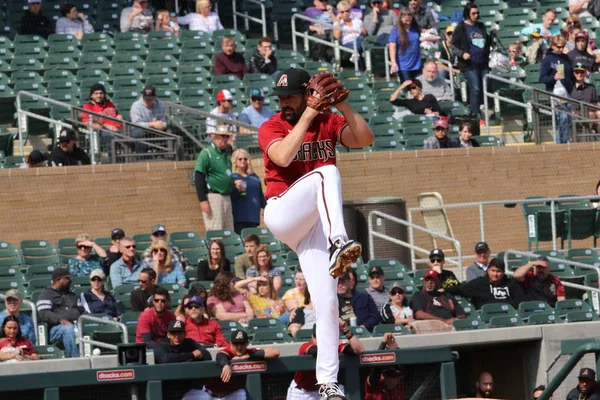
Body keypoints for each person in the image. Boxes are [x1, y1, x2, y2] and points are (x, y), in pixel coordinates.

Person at [258, 67, 373, 399]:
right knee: (327, 173)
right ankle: (340, 241)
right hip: (283, 211)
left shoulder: (327, 122)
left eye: (291, 95)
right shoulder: (272, 126)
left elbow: (365, 139)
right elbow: (282, 155)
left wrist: (344, 106)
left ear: (308, 92)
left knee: (327, 303)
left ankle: (327, 382)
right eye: (281, 97)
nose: (284, 102)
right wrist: (309, 110)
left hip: (313, 229)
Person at [286, 321, 364, 399]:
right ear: (313, 337)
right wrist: (334, 346)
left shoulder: (333, 345)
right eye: (319, 336)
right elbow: (316, 351)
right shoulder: (306, 345)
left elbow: (359, 350)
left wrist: (346, 331)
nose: (322, 340)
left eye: (326, 336)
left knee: (341, 390)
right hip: (302, 392)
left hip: (323, 391)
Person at [201, 330, 280, 399]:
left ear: (247, 343)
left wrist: (248, 356)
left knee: (241, 393)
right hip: (211, 393)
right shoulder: (228, 351)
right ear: (231, 344)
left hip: (231, 394)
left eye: (242, 343)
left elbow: (275, 352)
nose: (239, 347)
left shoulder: (249, 352)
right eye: (236, 344)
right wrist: (226, 365)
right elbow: (220, 355)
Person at [451, 3, 491, 119]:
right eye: (473, 13)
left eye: (477, 13)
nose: (476, 15)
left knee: (484, 88)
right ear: (467, 13)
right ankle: (474, 113)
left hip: (482, 63)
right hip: (469, 64)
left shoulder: (481, 26)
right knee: (476, 88)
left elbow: (485, 42)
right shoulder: (461, 27)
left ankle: (483, 110)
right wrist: (462, 54)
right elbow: (453, 45)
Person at [194, 127, 236, 232]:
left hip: (227, 196)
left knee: (229, 231)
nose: (225, 139)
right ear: (215, 137)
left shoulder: (226, 153)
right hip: (214, 196)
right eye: (222, 136)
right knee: (216, 230)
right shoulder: (206, 153)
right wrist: (203, 200)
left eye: (227, 136)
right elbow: (199, 177)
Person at [36, 268, 82, 357]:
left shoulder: (71, 295)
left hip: (77, 324)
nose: (70, 281)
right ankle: (75, 359)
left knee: (92, 326)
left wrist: (91, 320)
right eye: (67, 278)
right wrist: (61, 320)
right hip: (56, 328)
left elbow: (82, 311)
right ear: (59, 280)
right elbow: (44, 314)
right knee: (68, 329)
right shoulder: (46, 294)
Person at [445, 258, 525, 309]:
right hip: (487, 318)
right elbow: (460, 289)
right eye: (493, 270)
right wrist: (443, 290)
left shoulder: (511, 284)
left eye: (499, 271)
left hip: (509, 316)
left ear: (503, 272)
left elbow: (520, 301)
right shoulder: (479, 283)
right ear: (488, 270)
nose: (495, 274)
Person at [540, 34, 574, 144]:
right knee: (563, 117)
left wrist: (572, 85)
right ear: (553, 45)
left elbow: (571, 74)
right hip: (555, 92)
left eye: (563, 46)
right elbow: (542, 78)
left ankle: (563, 140)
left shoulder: (566, 58)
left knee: (568, 119)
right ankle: (561, 143)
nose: (561, 49)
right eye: (558, 47)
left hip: (567, 92)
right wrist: (553, 78)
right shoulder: (547, 59)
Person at [230, 148, 267, 234]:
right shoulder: (233, 177)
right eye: (240, 159)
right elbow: (231, 197)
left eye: (245, 159)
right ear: (235, 161)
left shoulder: (254, 177)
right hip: (239, 217)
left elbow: (260, 195)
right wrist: (236, 189)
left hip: (253, 217)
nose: (243, 161)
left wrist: (266, 208)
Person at [81, 83, 123, 155]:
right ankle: (113, 161)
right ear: (91, 95)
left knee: (134, 134)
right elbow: (88, 125)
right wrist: (105, 127)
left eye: (101, 93)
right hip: (103, 133)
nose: (99, 95)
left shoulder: (109, 103)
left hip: (119, 129)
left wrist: (119, 116)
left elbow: (116, 114)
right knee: (109, 137)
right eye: (96, 93)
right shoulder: (88, 106)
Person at [364, 333, 405, 399]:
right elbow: (375, 368)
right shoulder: (375, 385)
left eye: (394, 378)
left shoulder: (399, 386)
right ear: (382, 376)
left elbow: (402, 365)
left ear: (398, 379)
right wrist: (383, 343)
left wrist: (394, 347)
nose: (391, 381)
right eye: (388, 377)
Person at [130, 85, 168, 154]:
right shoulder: (136, 105)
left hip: (157, 130)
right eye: (146, 99)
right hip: (141, 130)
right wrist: (151, 124)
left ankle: (171, 158)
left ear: (155, 97)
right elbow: (136, 123)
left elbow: (164, 120)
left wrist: (162, 125)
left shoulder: (161, 104)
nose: (148, 101)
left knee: (173, 129)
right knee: (139, 133)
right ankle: (141, 161)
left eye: (150, 99)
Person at [388, 8, 422, 82]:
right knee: (407, 86)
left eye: (409, 20)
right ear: (401, 19)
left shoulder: (415, 29)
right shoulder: (396, 31)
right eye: (406, 21)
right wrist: (393, 62)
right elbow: (392, 47)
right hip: (403, 65)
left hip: (416, 63)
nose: (408, 22)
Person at [571, 62, 600, 131]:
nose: (579, 74)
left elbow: (596, 102)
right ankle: (586, 138)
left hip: (591, 111)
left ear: (585, 73)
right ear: (574, 73)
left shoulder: (591, 87)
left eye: (582, 72)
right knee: (591, 114)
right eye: (577, 72)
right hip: (577, 113)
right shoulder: (570, 87)